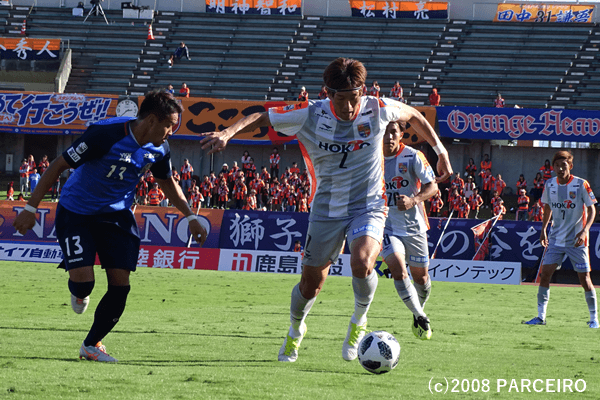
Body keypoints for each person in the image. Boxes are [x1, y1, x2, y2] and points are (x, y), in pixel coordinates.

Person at [199, 57, 452, 363]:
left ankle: (359, 321)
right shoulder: (310, 113)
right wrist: (228, 133)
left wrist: (440, 151)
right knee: (310, 284)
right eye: (341, 99)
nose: (348, 107)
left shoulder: (378, 108)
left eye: (354, 98)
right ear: (328, 93)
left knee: (362, 263)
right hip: (326, 210)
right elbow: (262, 117)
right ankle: (295, 330)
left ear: (362, 92)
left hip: (369, 205)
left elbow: (414, 115)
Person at [12, 90, 206, 362]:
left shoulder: (160, 148)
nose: (171, 132)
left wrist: (190, 216)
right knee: (84, 284)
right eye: (170, 125)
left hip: (117, 216)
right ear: (152, 120)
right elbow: (58, 165)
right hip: (77, 211)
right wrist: (30, 208)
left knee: (121, 285)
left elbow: (166, 181)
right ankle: (79, 291)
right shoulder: (105, 134)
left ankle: (91, 345)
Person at [523, 151, 598, 329]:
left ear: (570, 166)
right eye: (557, 165)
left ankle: (594, 319)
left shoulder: (581, 184)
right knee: (545, 275)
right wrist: (543, 230)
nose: (560, 169)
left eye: (564, 165)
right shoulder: (549, 184)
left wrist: (584, 231)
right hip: (556, 239)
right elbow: (547, 208)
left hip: (577, 240)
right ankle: (541, 317)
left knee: (585, 279)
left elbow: (592, 210)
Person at [381, 121, 437, 340]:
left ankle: (417, 312)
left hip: (414, 227)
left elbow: (433, 186)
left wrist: (414, 200)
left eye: (393, 132)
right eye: (384, 132)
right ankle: (421, 316)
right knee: (397, 268)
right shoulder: (371, 156)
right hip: (387, 225)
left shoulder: (413, 156)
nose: (388, 137)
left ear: (401, 134)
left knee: (421, 279)